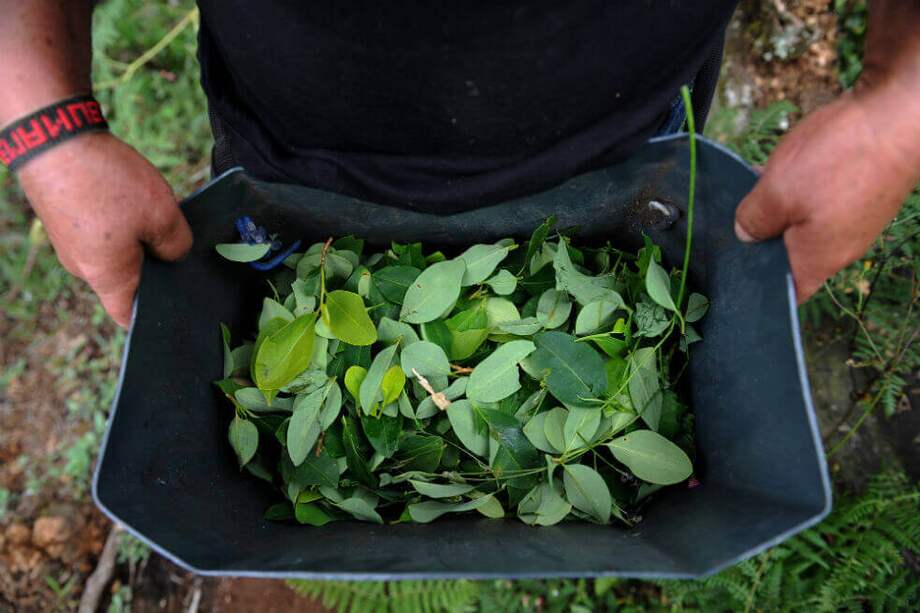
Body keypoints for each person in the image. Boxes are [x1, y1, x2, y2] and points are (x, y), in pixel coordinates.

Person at [2, 1, 919, 328]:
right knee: (279, 303)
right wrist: (47, 124)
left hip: (626, 135)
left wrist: (897, 105)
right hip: (293, 150)